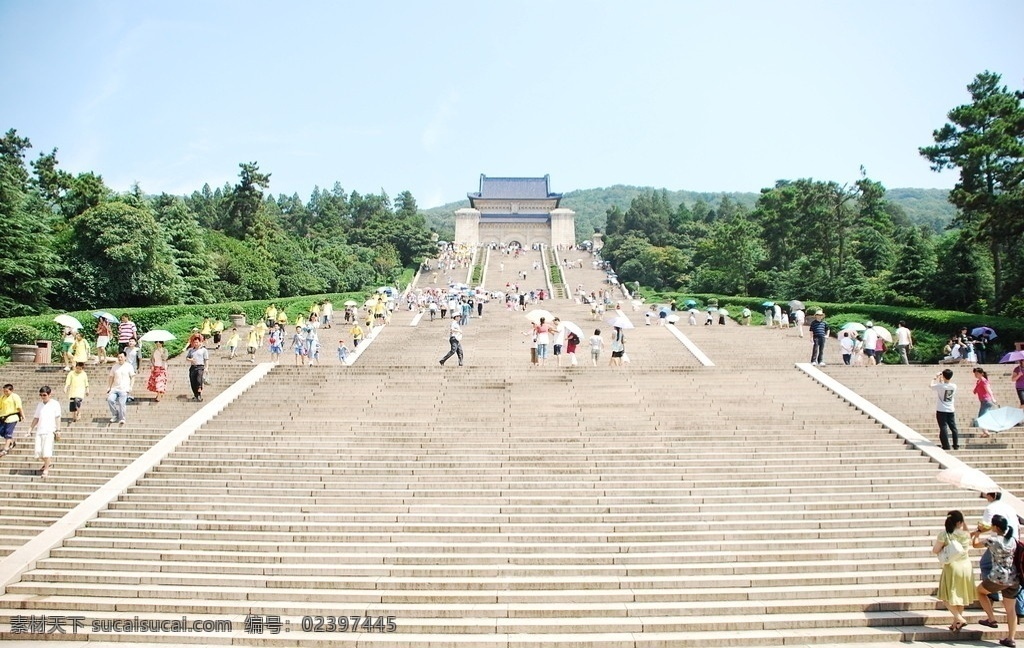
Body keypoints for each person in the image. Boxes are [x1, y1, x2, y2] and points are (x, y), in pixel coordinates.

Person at [971, 514, 1020, 647]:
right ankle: (1011, 638)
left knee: (980, 591)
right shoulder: (1013, 540)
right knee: (1010, 610)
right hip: (1013, 578)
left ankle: (992, 619)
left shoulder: (993, 540)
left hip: (998, 578)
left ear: (996, 527)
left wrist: (977, 533)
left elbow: (975, 545)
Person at [933, 510, 974, 633]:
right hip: (966, 566)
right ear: (960, 522)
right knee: (960, 596)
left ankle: (959, 618)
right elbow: (968, 532)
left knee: (946, 596)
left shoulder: (945, 534)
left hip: (952, 566)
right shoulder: (966, 534)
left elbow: (935, 550)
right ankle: (955, 623)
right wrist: (964, 520)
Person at [29, 386, 61, 478]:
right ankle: (48, 463)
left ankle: (46, 469)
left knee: (47, 451)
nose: (43, 397)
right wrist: (30, 428)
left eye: (44, 395)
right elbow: (36, 417)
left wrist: (58, 430)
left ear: (49, 394)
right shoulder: (40, 405)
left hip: (50, 430)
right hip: (40, 430)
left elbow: (58, 417)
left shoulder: (55, 404)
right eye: (41, 395)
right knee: (38, 452)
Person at [931, 369, 959, 450]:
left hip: (941, 409)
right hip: (950, 409)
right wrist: (942, 379)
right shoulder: (954, 386)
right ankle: (955, 445)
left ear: (943, 376)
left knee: (943, 427)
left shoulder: (940, 386)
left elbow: (931, 385)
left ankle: (946, 445)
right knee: (953, 428)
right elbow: (943, 386)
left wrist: (935, 377)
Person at [106, 353, 135, 425]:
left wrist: (130, 387)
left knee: (122, 404)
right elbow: (111, 377)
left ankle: (122, 418)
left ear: (125, 357)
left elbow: (133, 377)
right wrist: (109, 387)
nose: (120, 358)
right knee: (110, 400)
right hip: (115, 388)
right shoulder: (115, 366)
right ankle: (115, 414)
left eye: (121, 357)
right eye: (118, 357)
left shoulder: (129, 366)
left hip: (124, 389)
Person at [0, 383, 25, 457]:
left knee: (8, 432)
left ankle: (5, 449)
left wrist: (23, 416)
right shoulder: (2, 397)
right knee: (2, 432)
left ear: (11, 390)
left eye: (7, 391)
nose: (5, 392)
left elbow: (19, 407)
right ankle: (11, 442)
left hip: (12, 417)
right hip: (3, 417)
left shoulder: (15, 397)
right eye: (4, 391)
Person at [973, 367, 998, 438]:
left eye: (977, 373)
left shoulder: (984, 381)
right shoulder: (979, 381)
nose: (976, 375)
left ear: (981, 374)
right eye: (975, 373)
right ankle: (986, 431)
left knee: (981, 417)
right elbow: (976, 390)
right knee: (983, 417)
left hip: (986, 401)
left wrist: (993, 398)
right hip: (983, 401)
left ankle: (986, 432)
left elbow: (988, 390)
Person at [187, 337, 209, 402]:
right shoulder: (191, 350)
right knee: (193, 382)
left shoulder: (204, 350)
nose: (196, 344)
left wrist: (206, 367)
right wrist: (191, 360)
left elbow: (206, 359)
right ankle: (195, 395)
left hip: (200, 367)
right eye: (194, 342)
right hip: (193, 367)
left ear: (200, 342)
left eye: (197, 342)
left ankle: (199, 393)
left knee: (199, 379)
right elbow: (187, 358)